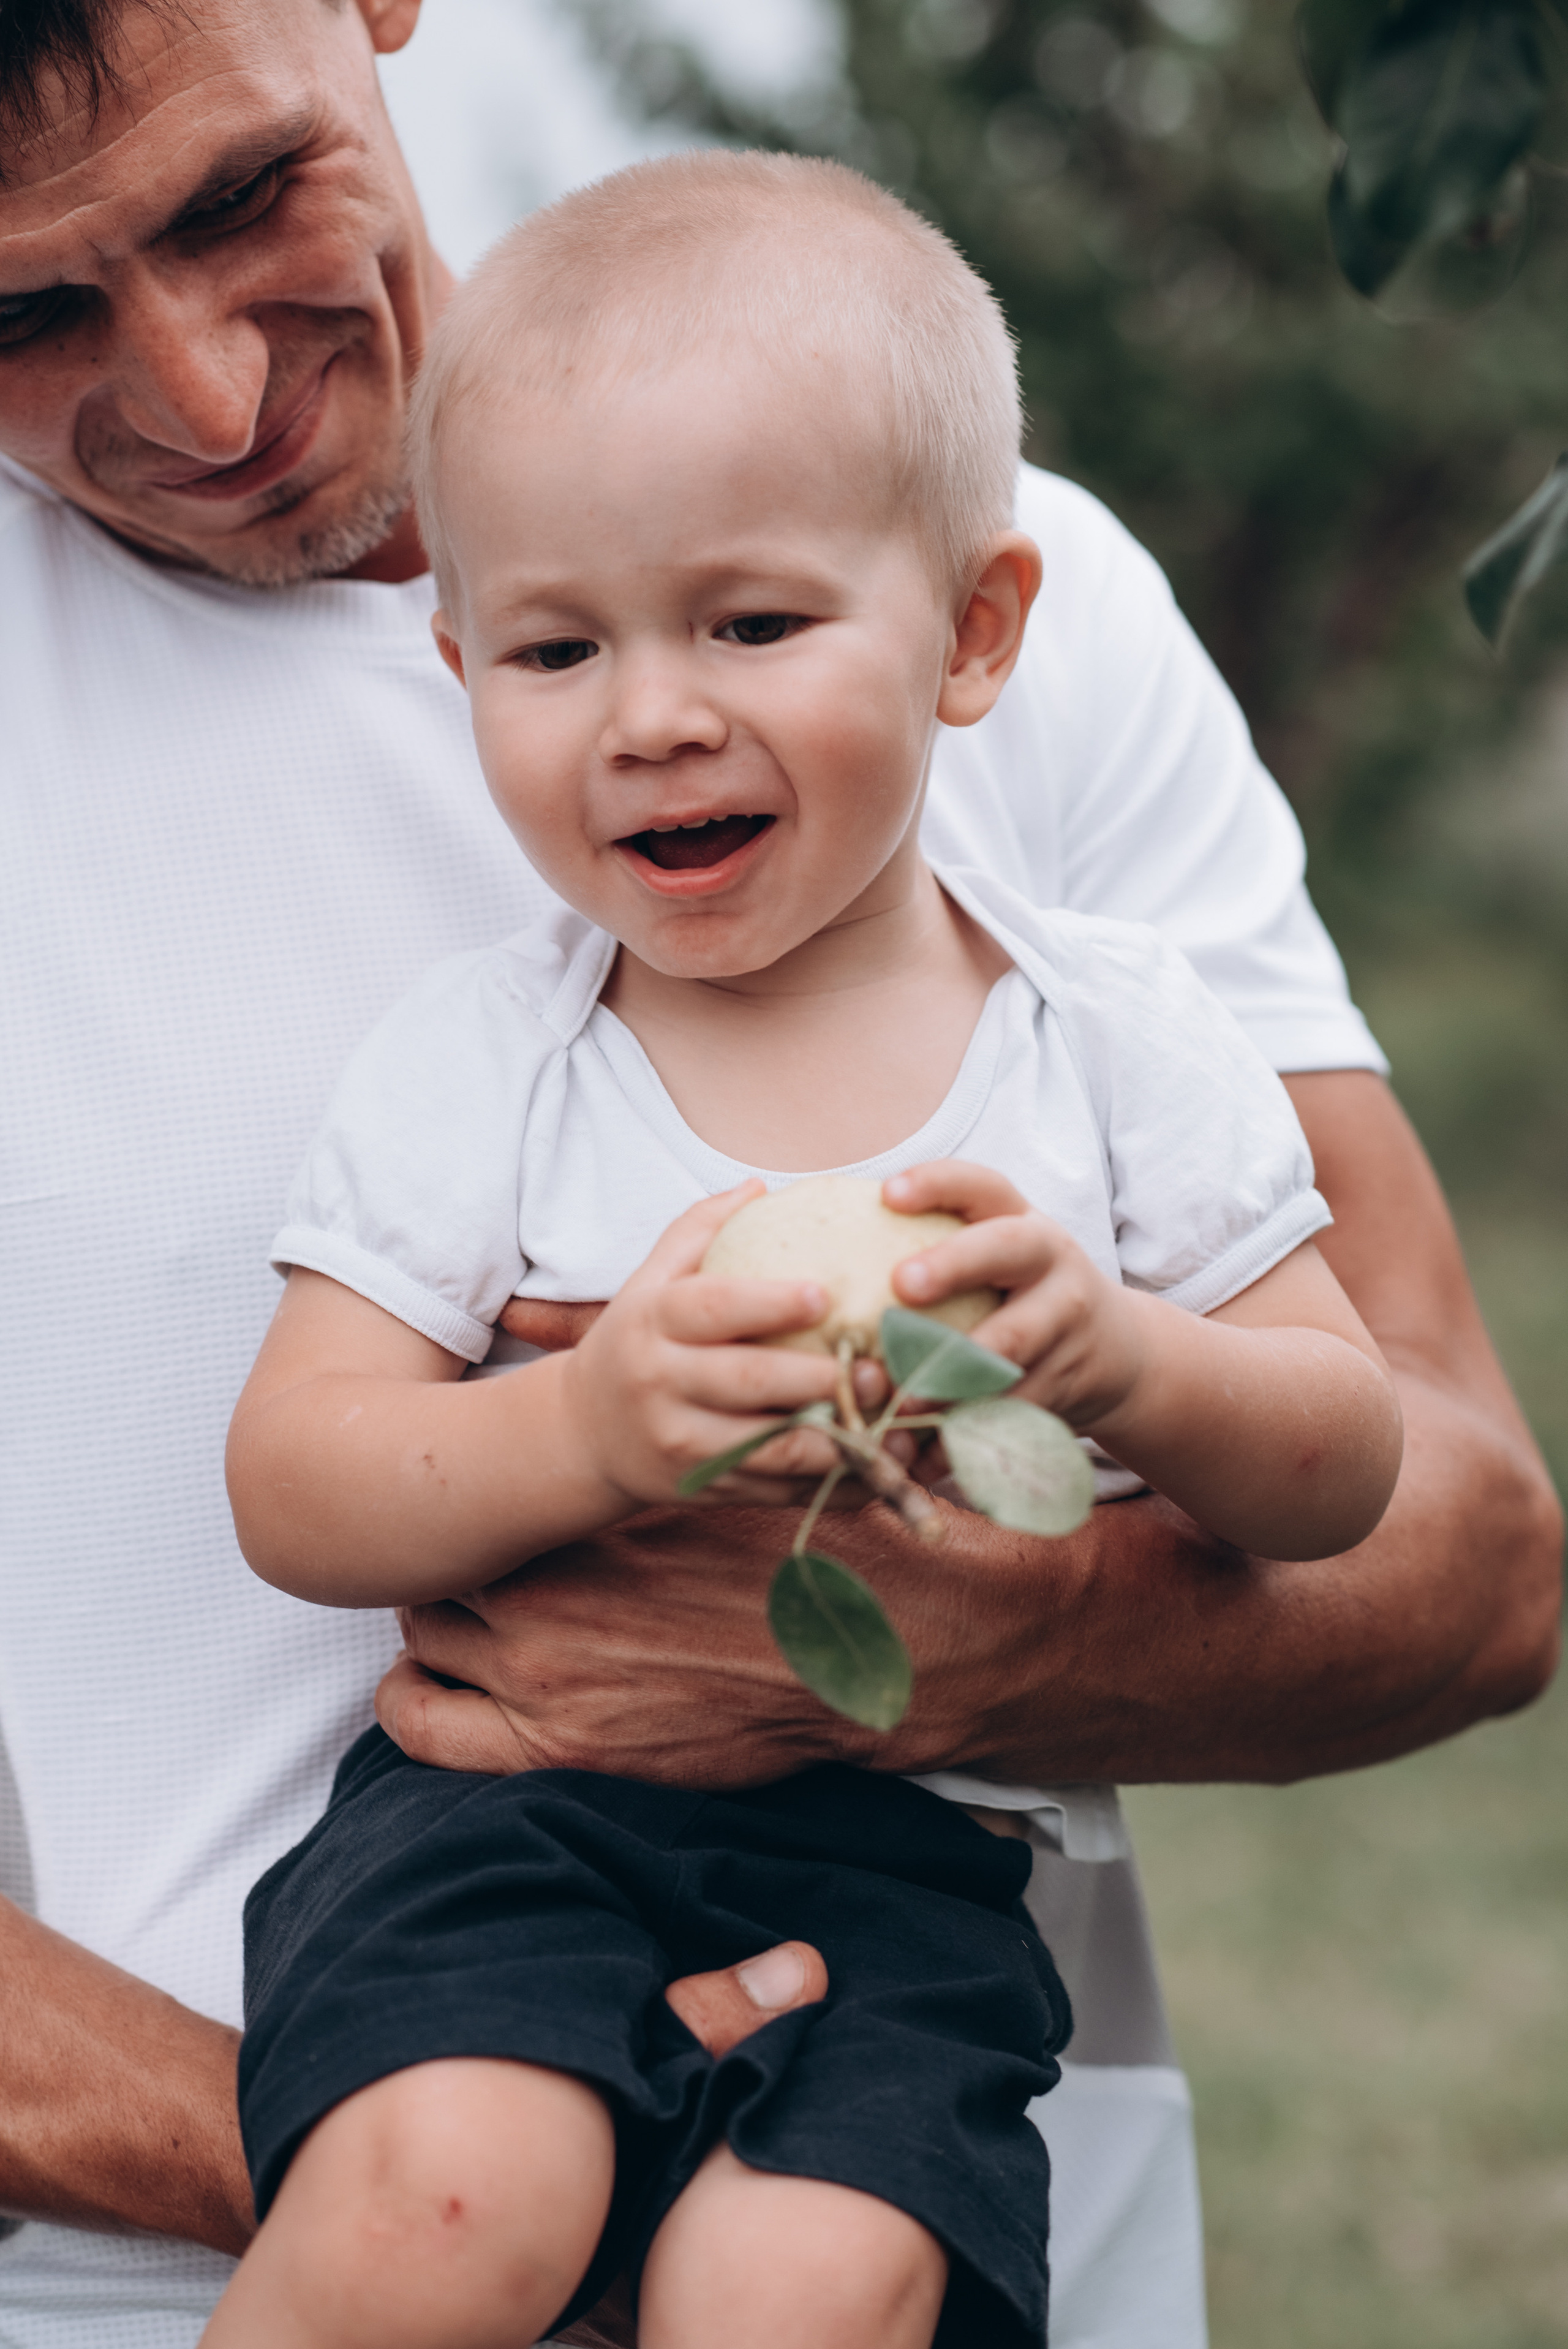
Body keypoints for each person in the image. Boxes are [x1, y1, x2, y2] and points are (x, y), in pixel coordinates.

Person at [0, 2, 1556, 2345]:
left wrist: (1003, 1623)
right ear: (462, 669)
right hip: (257, 2226)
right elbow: (305, 1468)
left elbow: (1469, 1539)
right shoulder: (480, 1039)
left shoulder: (996, 598)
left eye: (243, 194)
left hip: (901, 2125)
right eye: (20, 310)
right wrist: (456, 2167)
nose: (206, 398)